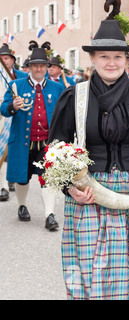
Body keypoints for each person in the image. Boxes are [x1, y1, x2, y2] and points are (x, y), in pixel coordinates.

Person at [47, 17, 129, 299]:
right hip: (89, 194)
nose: (111, 62)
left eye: (118, 56)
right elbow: (54, 149)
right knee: (91, 277)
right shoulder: (75, 96)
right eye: (104, 56)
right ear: (92, 58)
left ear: (127, 60)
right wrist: (70, 188)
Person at [0, 40, 65, 230]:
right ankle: (22, 206)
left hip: (47, 143)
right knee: (22, 177)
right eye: (35, 65)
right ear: (29, 67)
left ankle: (49, 214)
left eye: (42, 65)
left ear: (47, 67)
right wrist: (13, 106)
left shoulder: (57, 88)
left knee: (48, 178)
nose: (38, 68)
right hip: (22, 141)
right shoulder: (15, 85)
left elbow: (63, 114)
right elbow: (3, 109)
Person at [0, 43, 28, 201]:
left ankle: (11, 178)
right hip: (3, 114)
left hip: (19, 117)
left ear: (12, 60)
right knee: (2, 150)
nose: (4, 61)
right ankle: (3, 185)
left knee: (14, 148)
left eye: (6, 58)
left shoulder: (21, 76)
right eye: (2, 58)